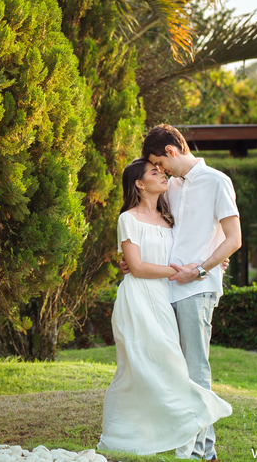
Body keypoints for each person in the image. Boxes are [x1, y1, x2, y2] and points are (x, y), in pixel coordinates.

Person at [97, 158, 232, 456]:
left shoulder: (168, 219)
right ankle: (126, 433)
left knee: (172, 367)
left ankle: (187, 434)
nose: (162, 174)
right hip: (137, 301)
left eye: (161, 170)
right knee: (137, 369)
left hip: (163, 299)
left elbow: (198, 239)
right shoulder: (127, 219)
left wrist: (217, 258)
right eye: (154, 172)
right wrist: (176, 271)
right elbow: (137, 266)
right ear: (139, 184)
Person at [142, 123, 243, 461]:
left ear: (171, 152)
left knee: (196, 370)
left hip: (197, 290)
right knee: (177, 370)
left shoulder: (217, 181)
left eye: (159, 164)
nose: (159, 171)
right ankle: (199, 448)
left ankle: (201, 452)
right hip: (166, 288)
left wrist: (202, 268)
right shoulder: (172, 188)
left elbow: (233, 239)